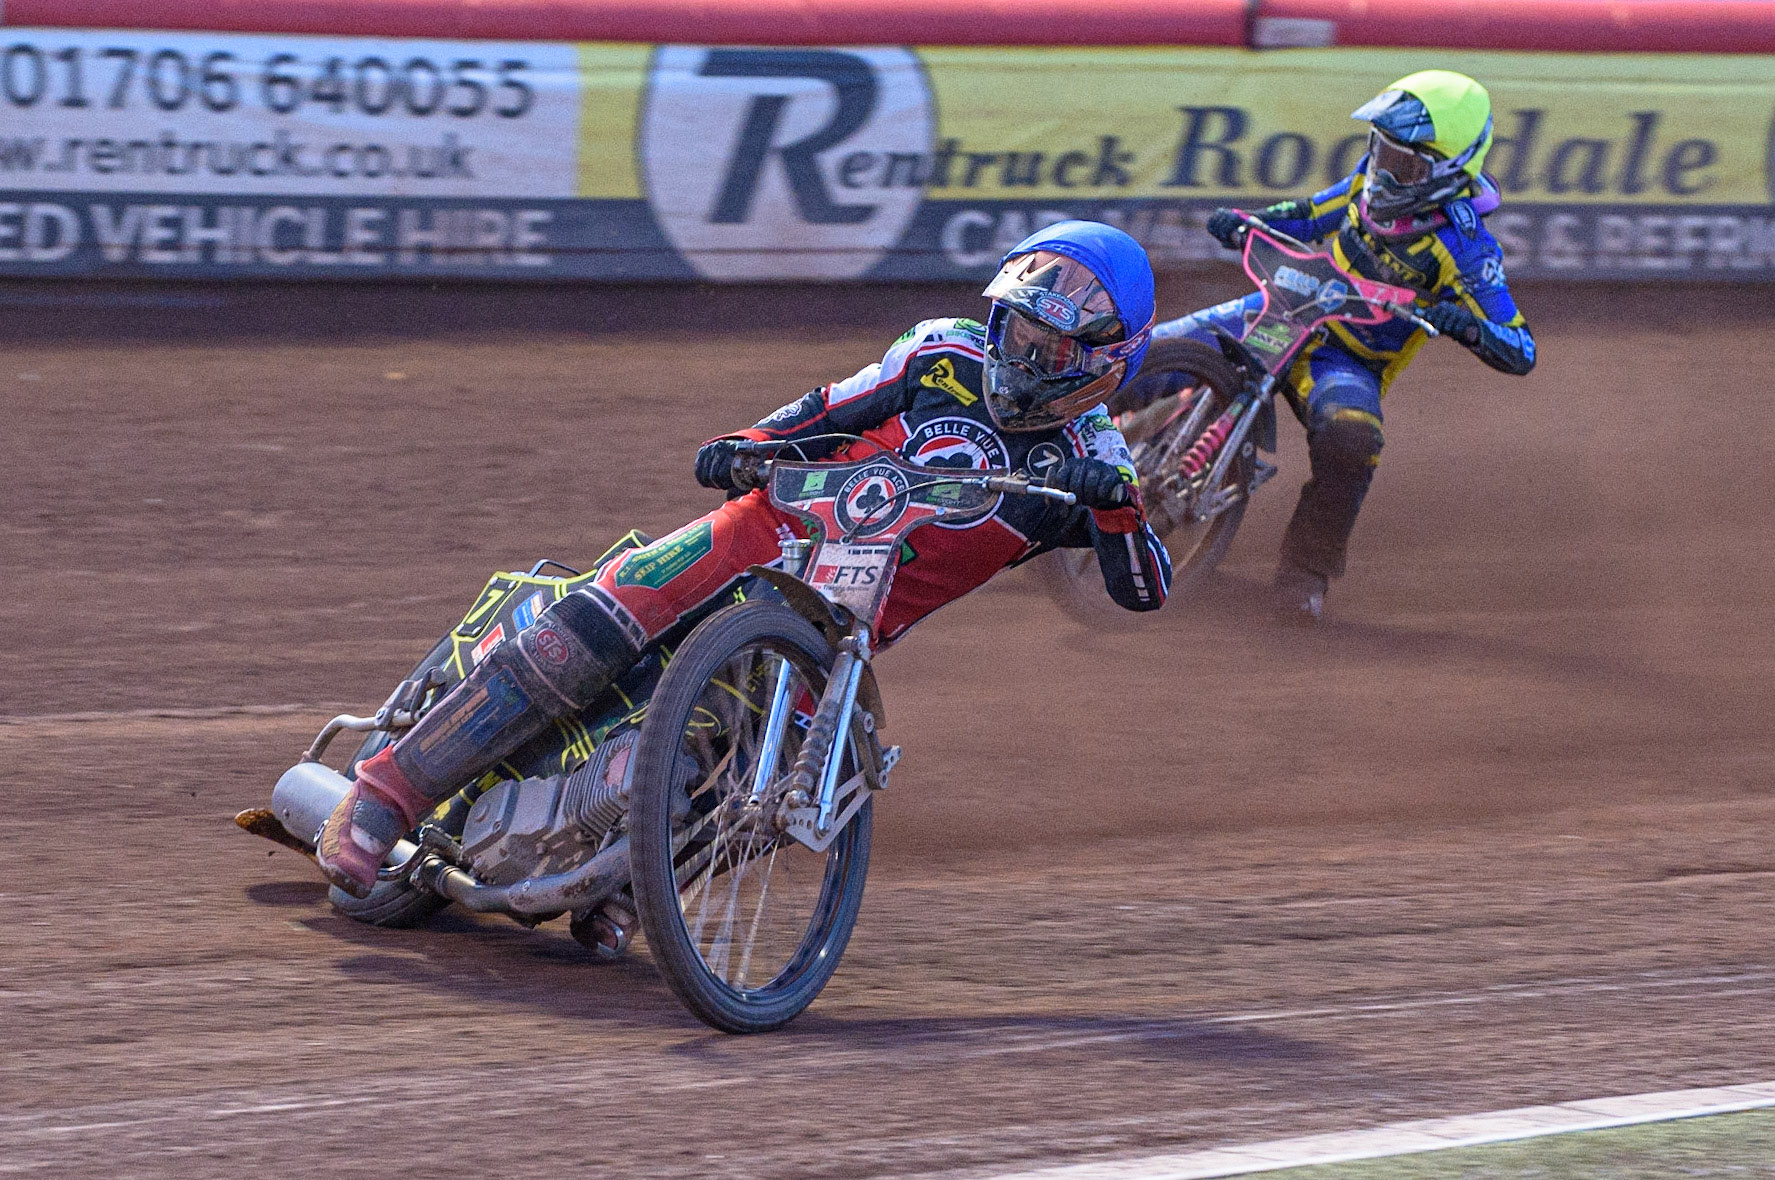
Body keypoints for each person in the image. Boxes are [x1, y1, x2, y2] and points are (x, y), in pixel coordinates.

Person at [316, 220, 1173, 897]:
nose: (1024, 357)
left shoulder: (1094, 461)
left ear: (1107, 364)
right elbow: (821, 411)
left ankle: (632, 893)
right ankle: (382, 796)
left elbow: (1142, 589)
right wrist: (744, 444)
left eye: (1051, 351)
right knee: (601, 619)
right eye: (1018, 331)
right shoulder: (940, 352)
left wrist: (1115, 508)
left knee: (793, 778)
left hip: (838, 631)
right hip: (762, 531)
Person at [1163, 69, 1535, 623]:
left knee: (1353, 438)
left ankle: (1304, 574)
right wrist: (1246, 222)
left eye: (1403, 162)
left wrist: (1464, 325)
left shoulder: (1466, 249)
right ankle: (1056, 463)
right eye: (1381, 149)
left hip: (1346, 360)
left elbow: (1521, 347)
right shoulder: (1367, 181)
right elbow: (1312, 213)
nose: (1384, 169)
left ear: (1447, 169)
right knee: (1154, 349)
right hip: (1282, 309)